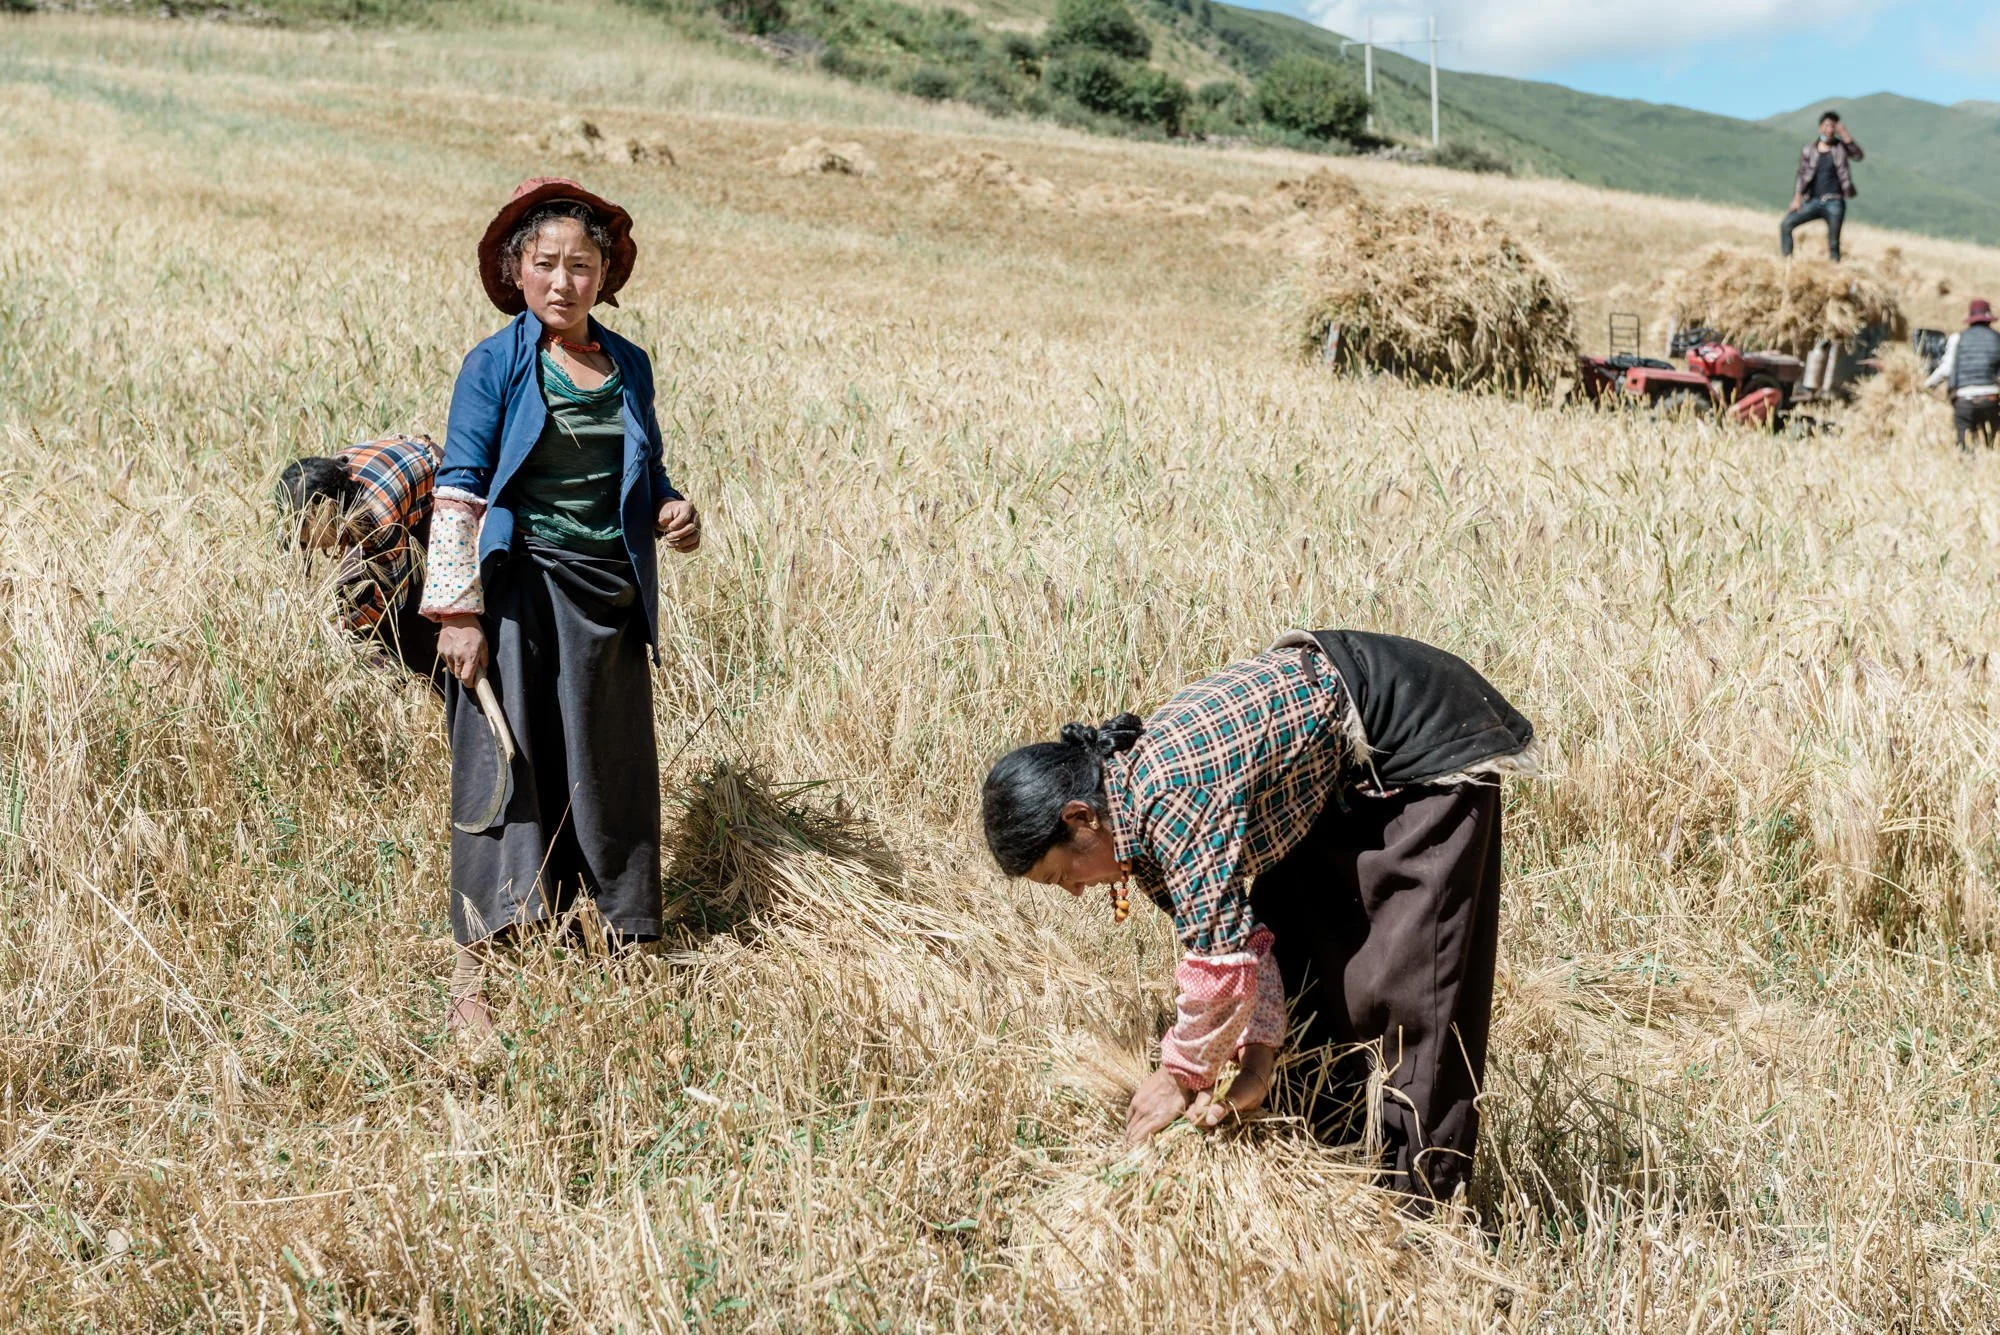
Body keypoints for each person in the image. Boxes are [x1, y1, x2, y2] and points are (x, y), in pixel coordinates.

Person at [982, 630, 1536, 1208]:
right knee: (1300, 938)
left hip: (1424, 730)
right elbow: (1243, 942)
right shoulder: (1136, 832)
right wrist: (1259, 1055)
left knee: (1404, 985)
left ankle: (1419, 1206)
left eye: (1060, 874)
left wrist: (1179, 1075)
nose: (1074, 891)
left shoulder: (1169, 801)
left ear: (1081, 818)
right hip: (1337, 769)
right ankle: (1336, 1168)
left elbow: (1219, 972)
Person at [418, 177, 702, 1035]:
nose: (563, 281)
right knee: (504, 769)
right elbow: (460, 489)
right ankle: (477, 974)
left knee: (612, 773)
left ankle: (621, 941)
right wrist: (458, 613)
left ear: (605, 274)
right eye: (545, 264)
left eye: (582, 265)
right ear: (517, 270)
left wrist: (672, 509)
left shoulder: (630, 365)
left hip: (607, 596)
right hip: (514, 596)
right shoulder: (494, 364)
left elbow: (643, 474)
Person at [276, 435, 449, 696]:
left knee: (406, 620)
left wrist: (340, 629)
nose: (301, 538)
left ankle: (432, 691)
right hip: (388, 471)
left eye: (307, 531)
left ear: (332, 514)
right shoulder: (312, 489)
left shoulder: (380, 521)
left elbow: (393, 598)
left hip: (434, 487)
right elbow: (288, 566)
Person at [1780, 110, 1863, 262]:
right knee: (1786, 224)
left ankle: (1834, 272)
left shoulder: (1841, 148)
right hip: (1813, 201)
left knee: (1833, 243)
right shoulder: (1809, 150)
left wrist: (1844, 134)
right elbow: (1802, 174)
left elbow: (1858, 155)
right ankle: (1787, 263)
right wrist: (1797, 197)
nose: (1829, 130)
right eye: (1826, 126)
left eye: (1833, 126)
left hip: (1834, 202)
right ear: (1820, 127)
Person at [1924, 299, 2000, 451]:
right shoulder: (1997, 339)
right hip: (1990, 399)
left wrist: (1927, 384)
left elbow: (1946, 370)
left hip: (1963, 401)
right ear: (1988, 320)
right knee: (1991, 447)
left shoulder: (1957, 338)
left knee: (1964, 448)